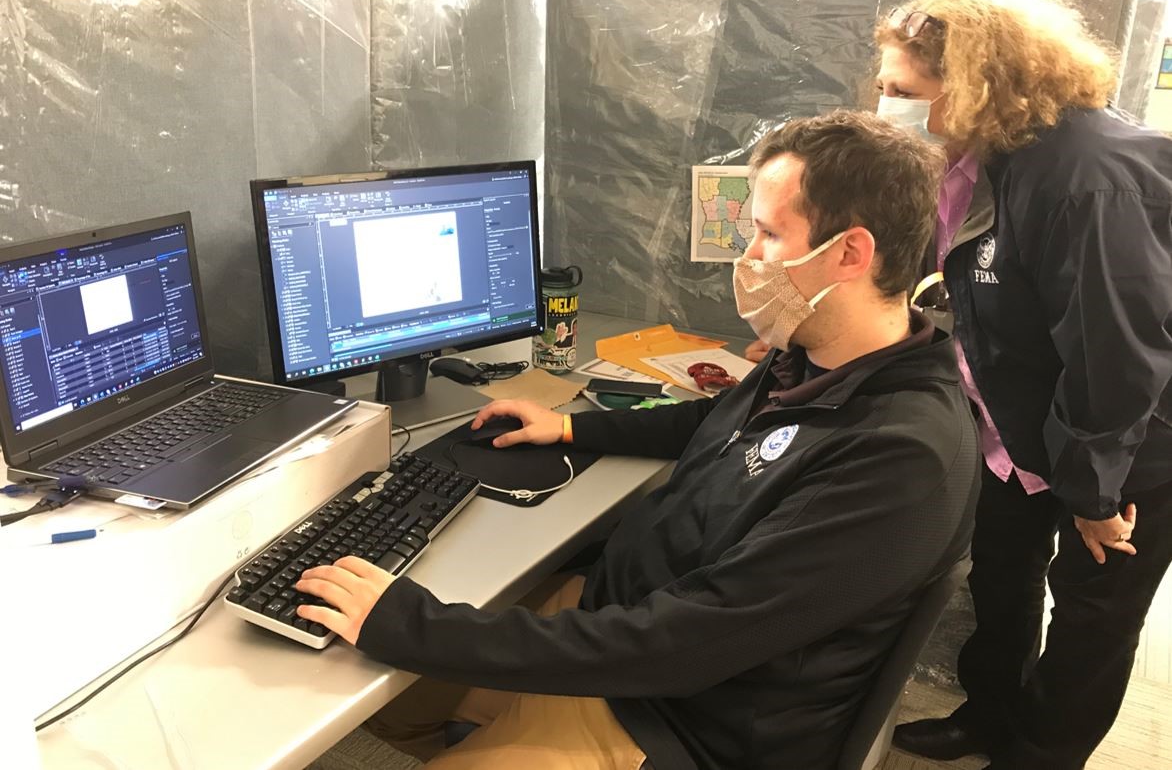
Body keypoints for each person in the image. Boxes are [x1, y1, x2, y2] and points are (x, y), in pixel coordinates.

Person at [292, 111, 981, 770]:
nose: (747, 258)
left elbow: (685, 643)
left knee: (397, 645)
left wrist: (412, 624)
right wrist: (569, 426)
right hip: (620, 613)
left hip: (680, 715)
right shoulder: (818, 357)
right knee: (372, 692)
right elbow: (713, 425)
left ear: (850, 253)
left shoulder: (901, 457)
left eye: (769, 234)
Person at [862, 0, 1172, 770]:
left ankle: (1039, 754)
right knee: (1004, 574)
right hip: (1020, 420)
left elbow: (1116, 351)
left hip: (1130, 442)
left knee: (1091, 617)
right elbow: (965, 288)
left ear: (971, 84)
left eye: (904, 89)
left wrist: (1096, 493)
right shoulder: (986, 157)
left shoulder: (1087, 176)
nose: (887, 103)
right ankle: (989, 714)